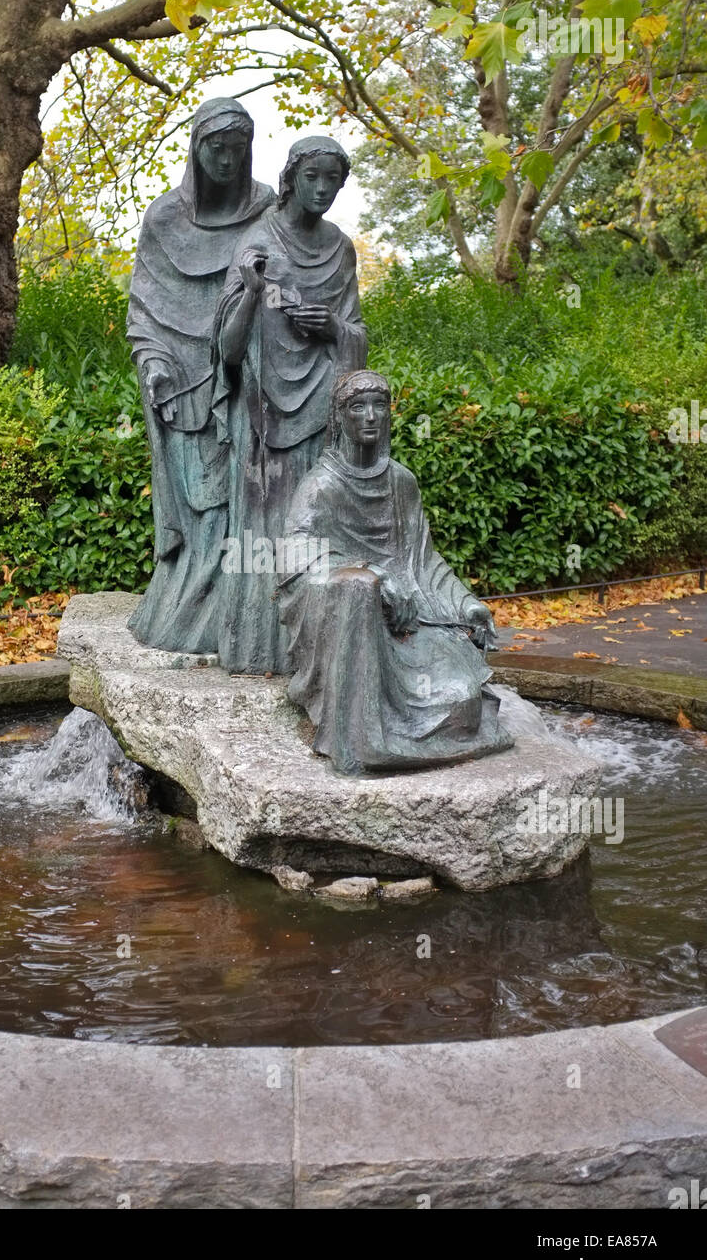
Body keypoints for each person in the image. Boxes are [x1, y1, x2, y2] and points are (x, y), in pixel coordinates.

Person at [277, 369, 513, 776]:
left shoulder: (402, 482)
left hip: (409, 623)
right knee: (358, 585)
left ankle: (397, 737)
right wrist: (370, 575)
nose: (370, 416)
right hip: (355, 625)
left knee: (463, 700)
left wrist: (465, 603)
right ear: (340, 419)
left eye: (379, 406)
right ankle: (361, 742)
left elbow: (423, 561)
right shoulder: (321, 486)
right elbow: (295, 555)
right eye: (357, 407)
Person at [211, 135, 367, 674]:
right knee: (263, 532)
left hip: (322, 407)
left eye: (334, 180)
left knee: (316, 528)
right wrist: (253, 292)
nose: (323, 189)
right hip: (262, 415)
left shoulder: (341, 248)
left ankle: (317, 655)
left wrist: (333, 328)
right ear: (291, 179)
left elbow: (357, 334)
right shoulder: (257, 242)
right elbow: (228, 349)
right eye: (313, 178)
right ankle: (261, 648)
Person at [126, 97, 275, 652]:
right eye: (217, 147)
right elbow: (145, 311)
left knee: (245, 498)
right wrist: (156, 362)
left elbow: (285, 289)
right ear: (195, 148)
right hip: (185, 388)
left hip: (252, 382)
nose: (228, 159)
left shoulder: (268, 211)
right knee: (202, 499)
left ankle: (241, 615)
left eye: (238, 149)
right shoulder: (164, 219)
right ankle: (190, 606)